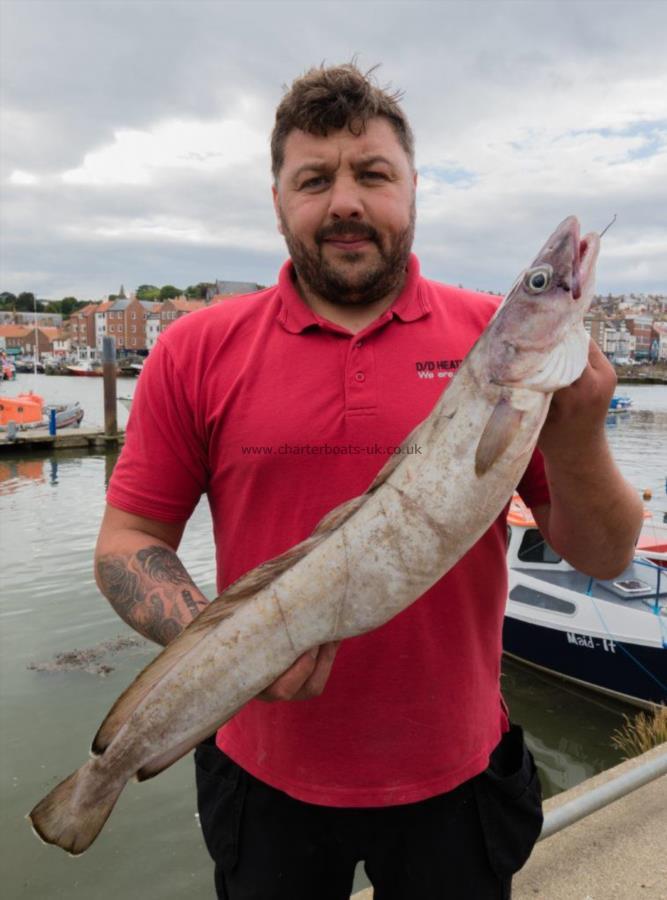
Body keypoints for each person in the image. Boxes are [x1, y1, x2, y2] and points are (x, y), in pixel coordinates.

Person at [95, 64, 643, 899]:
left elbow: (603, 557)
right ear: (277, 198)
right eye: (313, 179)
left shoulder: (483, 340)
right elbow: (127, 544)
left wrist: (579, 436)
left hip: (457, 777)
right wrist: (234, 655)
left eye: (373, 174)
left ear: (412, 188)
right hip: (259, 779)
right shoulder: (192, 349)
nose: (344, 201)